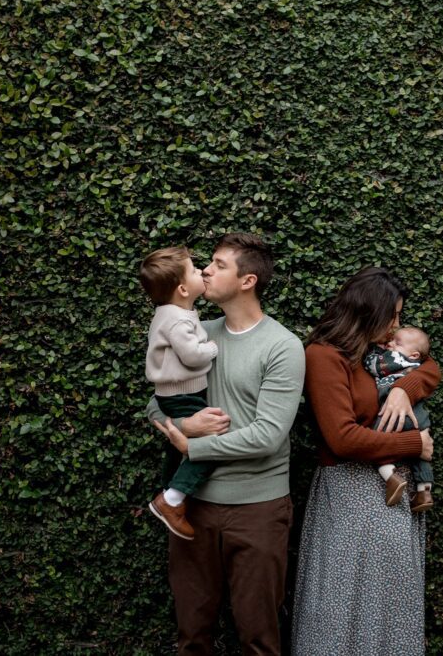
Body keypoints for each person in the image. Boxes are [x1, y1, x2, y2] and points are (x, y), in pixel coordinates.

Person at [147, 233, 306, 656]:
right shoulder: (194, 333)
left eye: (218, 264)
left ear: (247, 280)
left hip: (258, 510)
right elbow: (155, 405)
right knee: (191, 635)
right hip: (192, 508)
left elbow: (268, 436)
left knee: (258, 636)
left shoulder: (283, 347)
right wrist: (186, 424)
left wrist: (192, 447)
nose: (204, 271)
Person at [291, 266, 440, 656]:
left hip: (392, 501)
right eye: (392, 316)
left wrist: (403, 391)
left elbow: (430, 366)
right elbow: (341, 438)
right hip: (348, 495)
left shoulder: (380, 352)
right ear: (368, 313)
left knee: (391, 609)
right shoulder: (324, 356)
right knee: (339, 607)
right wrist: (414, 444)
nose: (397, 325)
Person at [138, 246, 219, 540]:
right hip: (184, 394)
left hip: (168, 394)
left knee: (176, 445)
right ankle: (172, 500)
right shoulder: (179, 319)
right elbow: (193, 356)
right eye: (196, 270)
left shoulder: (167, 313)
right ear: (184, 288)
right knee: (211, 445)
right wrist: (212, 348)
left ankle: (168, 486)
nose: (203, 272)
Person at [363, 325, 436, 512]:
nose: (390, 344)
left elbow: (374, 365)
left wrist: (375, 350)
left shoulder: (395, 358)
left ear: (413, 355)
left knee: (377, 441)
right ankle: (424, 491)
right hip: (419, 417)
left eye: (397, 342)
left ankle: (391, 477)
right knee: (420, 456)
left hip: (395, 415)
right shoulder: (416, 364)